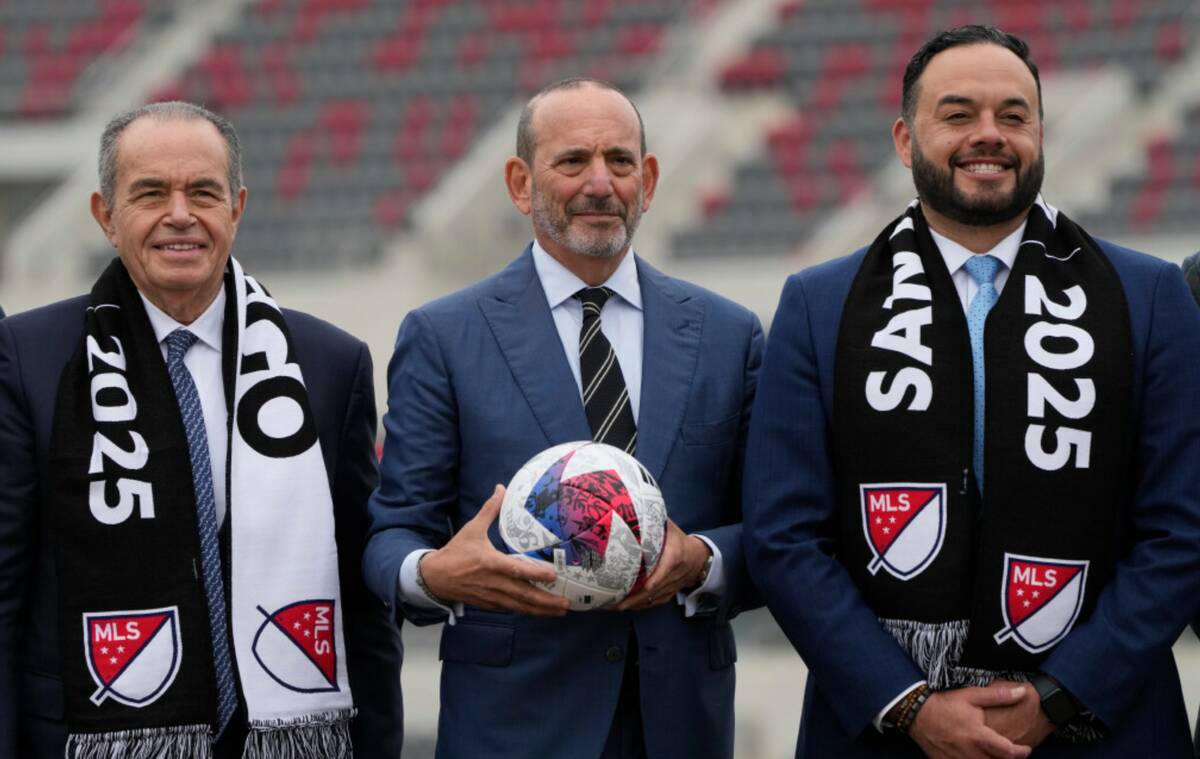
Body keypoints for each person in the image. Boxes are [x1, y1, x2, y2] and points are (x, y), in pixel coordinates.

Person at [743, 25, 1200, 759]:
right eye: (958, 115)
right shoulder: (817, 305)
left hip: (1101, 727)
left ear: (1040, 134)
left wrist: (1057, 696)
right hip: (885, 733)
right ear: (904, 138)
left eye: (1013, 116)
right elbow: (784, 536)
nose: (988, 136)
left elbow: (1183, 529)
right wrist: (910, 704)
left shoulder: (1149, 299)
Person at [363, 77, 762, 759]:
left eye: (621, 161)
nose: (600, 183)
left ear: (651, 178)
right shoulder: (443, 336)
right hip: (512, 729)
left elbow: (782, 529)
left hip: (680, 727)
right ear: (520, 183)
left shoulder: (730, 334)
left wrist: (703, 560)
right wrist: (432, 572)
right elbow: (392, 530)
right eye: (572, 161)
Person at [0, 102, 401, 759]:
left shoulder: (330, 366)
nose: (180, 214)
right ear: (106, 215)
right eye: (151, 192)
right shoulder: (29, 359)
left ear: (236, 207)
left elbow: (362, 609)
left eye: (203, 192)